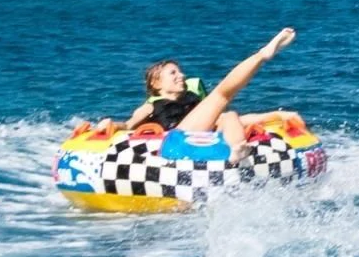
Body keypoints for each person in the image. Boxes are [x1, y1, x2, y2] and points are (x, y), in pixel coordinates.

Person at [123, 28, 297, 159]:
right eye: (173, 73)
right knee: (220, 96)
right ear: (156, 83)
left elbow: (239, 120)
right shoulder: (151, 106)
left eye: (180, 72)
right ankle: (261, 55)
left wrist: (277, 115)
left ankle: (237, 152)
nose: (181, 76)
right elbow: (128, 125)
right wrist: (112, 125)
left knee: (230, 116)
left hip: (205, 141)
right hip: (175, 143)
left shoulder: (191, 100)